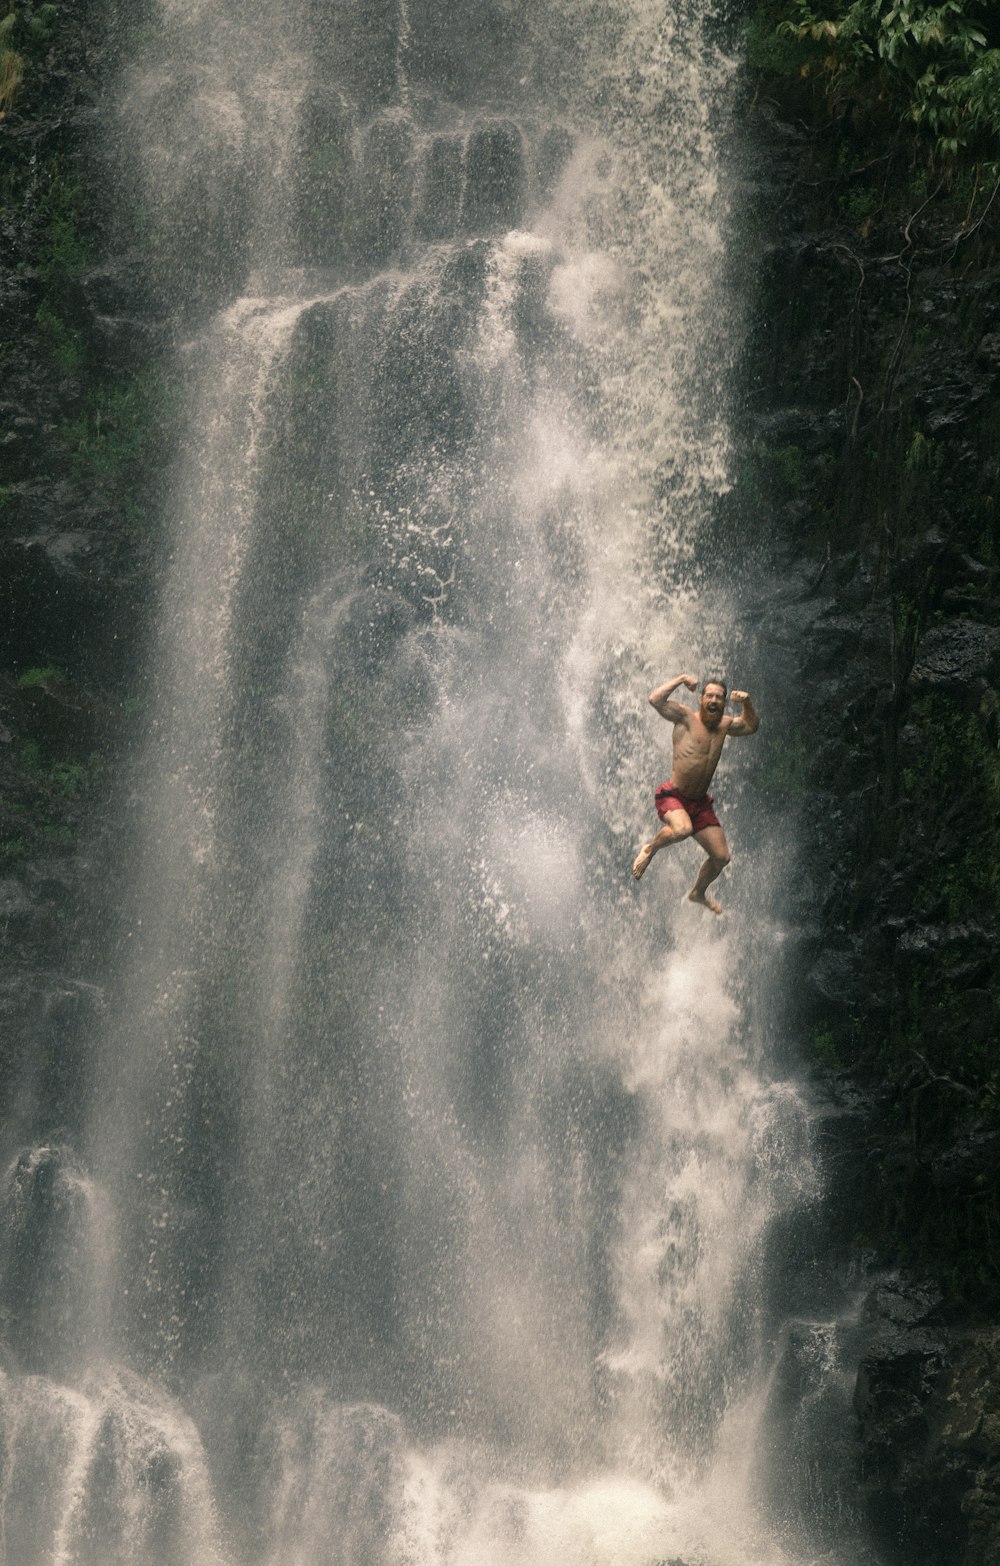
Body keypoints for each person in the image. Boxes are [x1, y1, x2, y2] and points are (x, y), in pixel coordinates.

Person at [631, 673, 760, 914]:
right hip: (673, 795)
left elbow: (752, 726)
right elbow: (655, 699)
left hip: (700, 803)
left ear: (723, 703)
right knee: (682, 829)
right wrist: (680, 679)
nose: (713, 700)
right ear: (701, 699)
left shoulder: (725, 725)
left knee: (722, 858)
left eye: (719, 697)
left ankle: (698, 892)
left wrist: (747, 702)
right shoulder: (685, 718)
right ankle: (650, 849)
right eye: (709, 695)